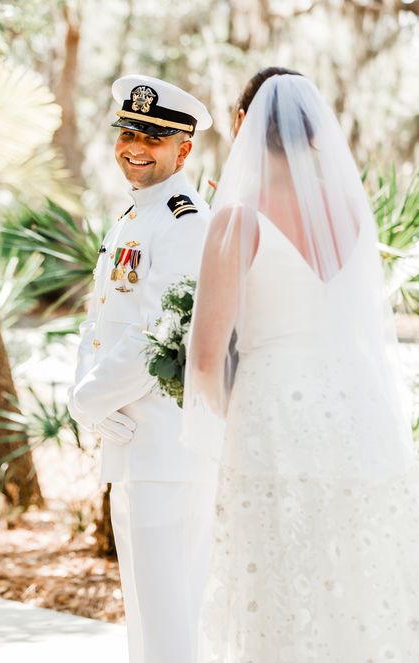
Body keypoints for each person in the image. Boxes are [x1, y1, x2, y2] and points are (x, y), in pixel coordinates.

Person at [183, 67, 419, 662]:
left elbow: (207, 357)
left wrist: (221, 422)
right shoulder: (352, 213)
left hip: (273, 417)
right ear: (317, 134)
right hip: (357, 413)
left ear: (242, 123)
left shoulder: (236, 218)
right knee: (351, 578)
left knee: (282, 581)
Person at [68, 74, 218, 663]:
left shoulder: (185, 221)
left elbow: (162, 332)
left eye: (152, 137)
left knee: (171, 607)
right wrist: (90, 395)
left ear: (183, 150)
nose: (134, 145)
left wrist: (87, 401)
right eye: (128, 131)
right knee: (148, 607)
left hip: (168, 446)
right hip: (134, 441)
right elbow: (100, 321)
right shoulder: (132, 216)